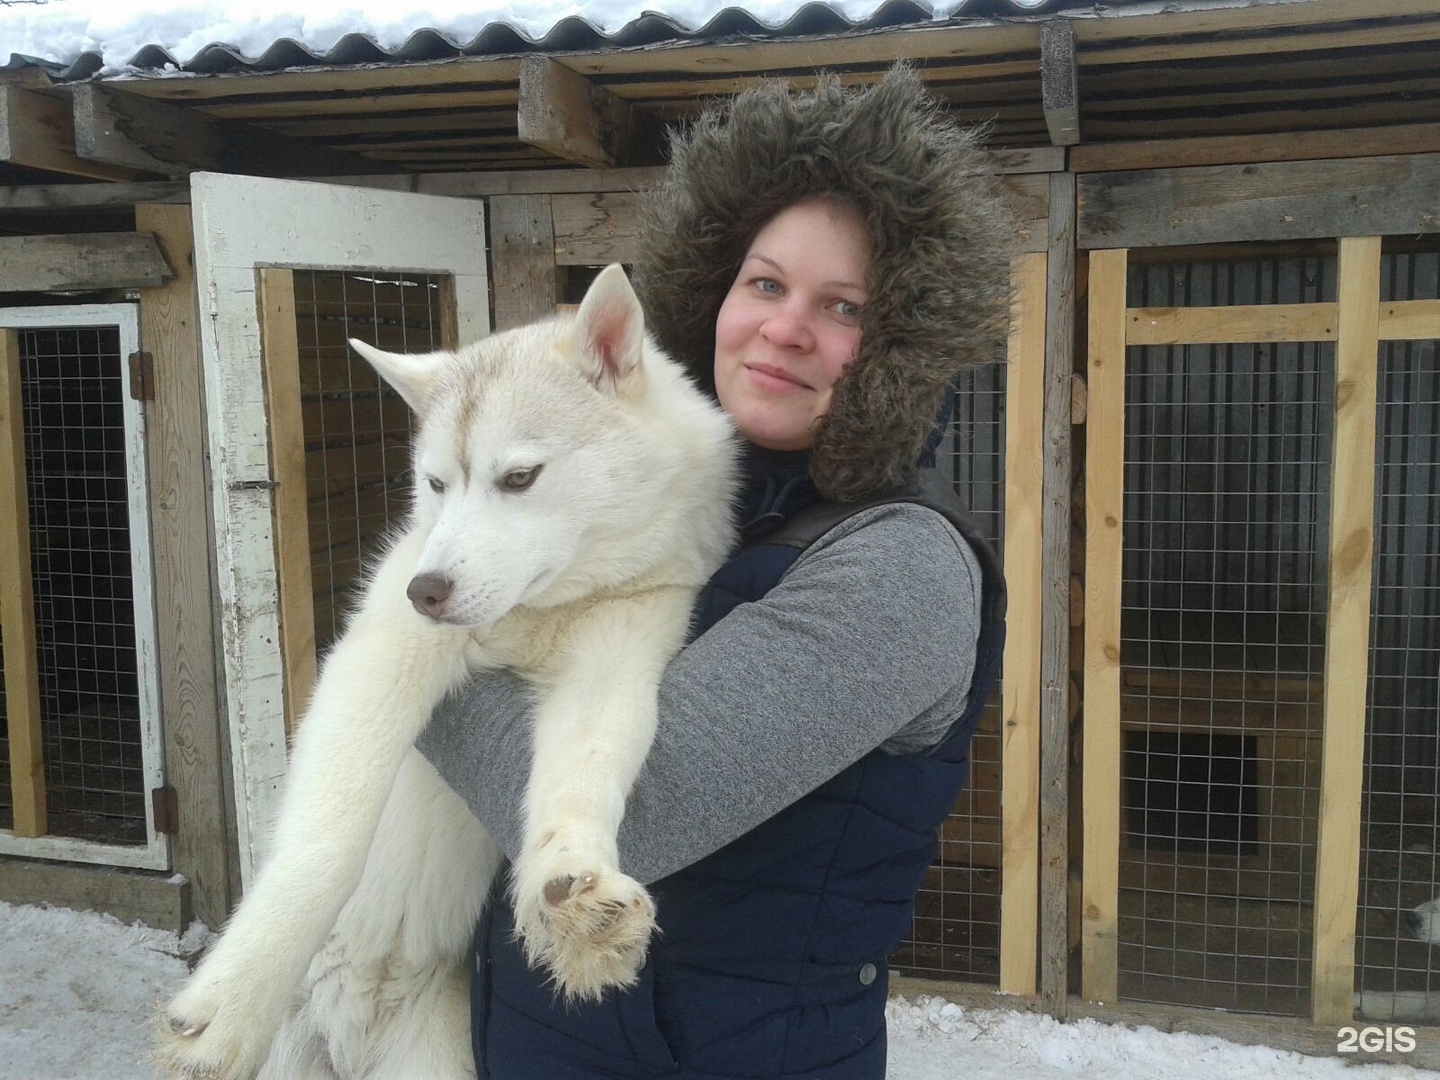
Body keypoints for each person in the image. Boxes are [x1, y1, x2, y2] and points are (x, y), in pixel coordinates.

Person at [417, 64, 1017, 1079]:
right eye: (767, 283)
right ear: (711, 289)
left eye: (843, 307)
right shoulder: (661, 508)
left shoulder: (898, 567)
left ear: (904, 344)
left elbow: (629, 819)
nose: (785, 327)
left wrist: (414, 655)